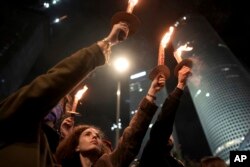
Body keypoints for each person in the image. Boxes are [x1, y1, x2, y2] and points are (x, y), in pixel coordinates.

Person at [0, 22, 129, 167]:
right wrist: (104, 45)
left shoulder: (46, 151)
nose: (55, 104)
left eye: (60, 104)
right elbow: (52, 83)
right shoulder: (13, 114)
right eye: (56, 99)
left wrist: (66, 140)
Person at [55, 73, 167, 167]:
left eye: (98, 136)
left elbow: (131, 138)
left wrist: (151, 94)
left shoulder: (108, 163)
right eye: (87, 134)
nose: (94, 136)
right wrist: (66, 136)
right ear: (77, 147)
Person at [136, 66, 192, 167]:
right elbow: (163, 123)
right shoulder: (151, 155)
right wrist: (180, 85)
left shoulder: (178, 165)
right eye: (166, 134)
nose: (168, 136)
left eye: (169, 134)